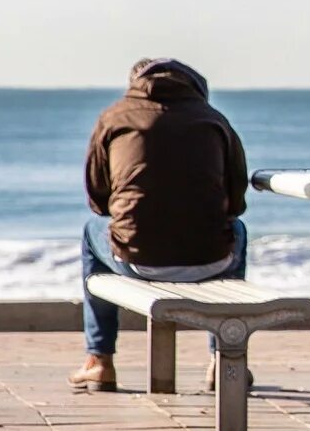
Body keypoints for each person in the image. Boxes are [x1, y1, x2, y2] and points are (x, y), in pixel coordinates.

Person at [74, 58, 249, 390]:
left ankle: (99, 360)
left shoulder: (113, 117)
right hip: (210, 260)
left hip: (136, 258)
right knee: (237, 231)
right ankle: (221, 357)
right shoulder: (215, 120)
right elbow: (236, 201)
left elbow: (97, 201)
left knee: (90, 232)